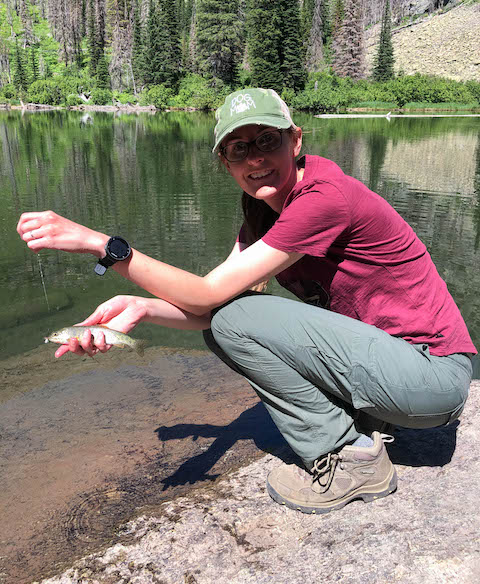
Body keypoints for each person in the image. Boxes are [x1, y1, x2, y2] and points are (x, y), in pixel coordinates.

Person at [17, 88, 476, 515]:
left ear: (295, 140)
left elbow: (213, 298)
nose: (254, 157)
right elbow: (212, 305)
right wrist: (140, 307)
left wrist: (102, 246)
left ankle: (349, 458)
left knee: (233, 319)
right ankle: (357, 427)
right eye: (238, 149)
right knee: (227, 325)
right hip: (400, 374)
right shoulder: (264, 210)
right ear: (224, 162)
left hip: (430, 378)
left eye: (266, 139)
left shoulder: (323, 198)